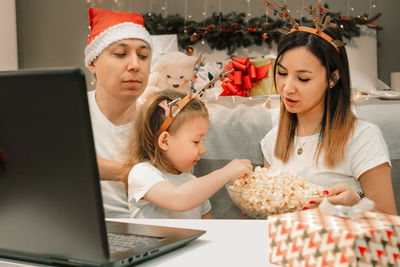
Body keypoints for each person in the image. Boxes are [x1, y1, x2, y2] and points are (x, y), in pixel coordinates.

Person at [260, 24, 397, 214]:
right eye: (282, 73)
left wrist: (356, 201)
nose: (287, 88)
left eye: (303, 78)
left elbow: (389, 222)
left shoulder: (363, 138)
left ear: (333, 78)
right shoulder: (272, 140)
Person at [121, 89, 252, 219]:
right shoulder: (142, 173)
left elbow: (209, 227)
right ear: (165, 141)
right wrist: (226, 172)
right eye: (196, 141)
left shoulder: (194, 184)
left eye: (203, 141)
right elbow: (177, 198)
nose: (203, 149)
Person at [84, 7, 152, 217]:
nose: (135, 65)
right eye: (121, 54)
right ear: (93, 63)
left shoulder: (157, 120)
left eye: (143, 55)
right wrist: (130, 173)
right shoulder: (67, 111)